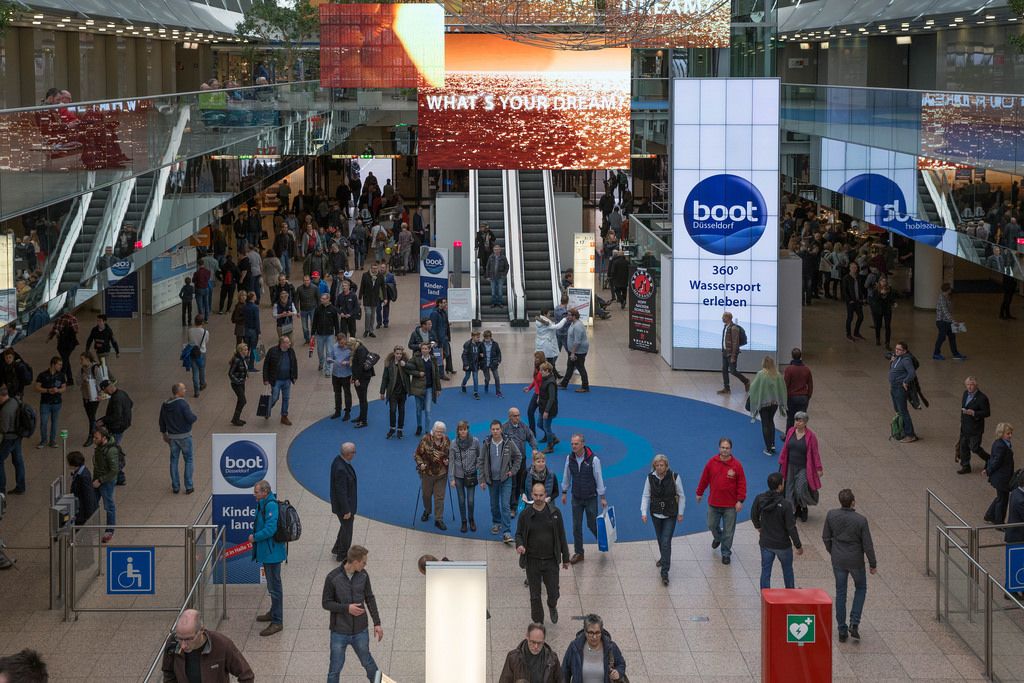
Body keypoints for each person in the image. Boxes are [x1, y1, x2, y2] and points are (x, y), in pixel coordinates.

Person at [823, 489, 877, 643]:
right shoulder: (861, 520)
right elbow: (867, 545)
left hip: (838, 559)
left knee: (841, 593)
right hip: (856, 561)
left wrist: (832, 551)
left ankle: (841, 629)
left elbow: (826, 537)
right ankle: (854, 622)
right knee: (860, 588)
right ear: (853, 501)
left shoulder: (831, 515)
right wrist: (873, 563)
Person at [323, 545, 384, 682]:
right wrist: (347, 608)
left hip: (360, 630)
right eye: (364, 562)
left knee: (368, 662)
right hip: (339, 631)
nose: (365, 565)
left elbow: (369, 598)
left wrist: (377, 623)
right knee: (335, 669)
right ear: (355, 562)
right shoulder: (332, 578)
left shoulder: (363, 575)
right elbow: (326, 603)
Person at [516, 481, 571, 624]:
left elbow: (562, 536)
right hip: (532, 561)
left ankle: (552, 605)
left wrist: (565, 558)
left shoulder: (555, 513)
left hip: (550, 560)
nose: (538, 498)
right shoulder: (525, 515)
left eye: (541, 495)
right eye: (536, 495)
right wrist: (520, 545)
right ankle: (538, 622)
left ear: (545, 495)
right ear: (531, 495)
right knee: (534, 595)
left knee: (554, 592)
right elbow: (519, 534)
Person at [161, 608, 254, 682]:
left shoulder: (222, 645)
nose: (183, 645)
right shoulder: (172, 642)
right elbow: (168, 672)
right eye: (180, 638)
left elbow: (246, 675)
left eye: (189, 639)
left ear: (201, 630)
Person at [695, 437, 747, 565]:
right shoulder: (711, 462)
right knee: (711, 525)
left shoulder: (737, 465)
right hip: (714, 503)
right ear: (719, 448)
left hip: (730, 505)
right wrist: (699, 492)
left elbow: (742, 484)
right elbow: (704, 478)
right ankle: (718, 538)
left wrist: (740, 500)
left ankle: (725, 553)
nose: (724, 450)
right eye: (723, 447)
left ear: (731, 449)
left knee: (729, 531)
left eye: (727, 448)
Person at [751, 472, 803, 589]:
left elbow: (753, 514)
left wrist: (758, 526)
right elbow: (791, 527)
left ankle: (765, 598)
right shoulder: (786, 505)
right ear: (780, 486)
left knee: (765, 571)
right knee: (787, 570)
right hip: (783, 545)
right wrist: (798, 545)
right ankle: (790, 594)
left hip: (766, 543)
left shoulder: (760, 499)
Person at [560, 433, 607, 564]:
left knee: (592, 524)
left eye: (576, 444)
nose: (573, 446)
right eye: (572, 444)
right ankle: (579, 552)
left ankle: (603, 541)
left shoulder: (594, 459)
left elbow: (599, 478)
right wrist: (564, 492)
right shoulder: (569, 458)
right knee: (576, 526)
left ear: (583, 444)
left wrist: (602, 497)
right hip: (576, 497)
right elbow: (566, 475)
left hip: (591, 497)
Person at [250, 479, 286, 636]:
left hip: (272, 553)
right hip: (268, 552)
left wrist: (255, 537)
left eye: (256, 492)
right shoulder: (263, 503)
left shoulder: (270, 505)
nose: (254, 494)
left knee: (275, 587)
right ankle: (273, 612)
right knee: (272, 586)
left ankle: (277, 621)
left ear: (265, 492)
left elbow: (270, 529)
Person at [483, 419, 523, 544]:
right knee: (494, 505)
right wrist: (482, 479)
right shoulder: (486, 443)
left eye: (497, 429)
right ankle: (496, 522)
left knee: (505, 506)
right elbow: (481, 461)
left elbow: (518, 456)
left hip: (506, 479)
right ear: (491, 430)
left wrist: (513, 471)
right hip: (491, 480)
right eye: (493, 429)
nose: (495, 431)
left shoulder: (508, 442)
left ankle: (507, 532)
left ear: (501, 429)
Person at [778, 411, 824, 522]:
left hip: (803, 467)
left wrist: (818, 468)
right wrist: (782, 460)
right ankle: (793, 510)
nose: (798, 422)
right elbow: (786, 448)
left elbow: (815, 453)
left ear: (805, 422)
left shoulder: (811, 436)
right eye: (796, 420)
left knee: (800, 489)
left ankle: (803, 507)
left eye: (800, 420)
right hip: (790, 466)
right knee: (789, 489)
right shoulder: (791, 431)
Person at [561, 614, 626, 682]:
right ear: (585, 632)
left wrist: (618, 672)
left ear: (601, 631)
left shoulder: (611, 647)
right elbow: (565, 671)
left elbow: (621, 663)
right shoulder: (574, 647)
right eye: (591, 633)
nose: (594, 637)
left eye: (597, 633)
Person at [159, 383, 198, 495]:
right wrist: (195, 416)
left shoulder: (165, 404)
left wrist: (164, 434)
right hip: (185, 436)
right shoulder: (182, 404)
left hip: (172, 437)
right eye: (183, 389)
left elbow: (161, 420)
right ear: (178, 391)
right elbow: (190, 418)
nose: (185, 390)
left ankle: (176, 486)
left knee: (174, 461)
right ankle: (189, 486)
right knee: (189, 460)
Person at [747, 356, 787, 456]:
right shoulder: (777, 374)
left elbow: (753, 387)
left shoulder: (761, 374)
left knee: (765, 424)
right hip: (774, 404)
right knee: (771, 422)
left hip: (763, 403)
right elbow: (782, 389)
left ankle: (768, 447)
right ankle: (773, 445)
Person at [414, 421, 450, 530]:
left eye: (442, 431)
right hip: (427, 473)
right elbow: (417, 454)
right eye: (437, 431)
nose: (439, 433)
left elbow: (450, 454)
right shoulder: (425, 440)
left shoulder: (447, 441)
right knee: (426, 495)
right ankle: (427, 510)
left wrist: (448, 460)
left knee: (439, 497)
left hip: (441, 473)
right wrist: (421, 464)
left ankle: (438, 519)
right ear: (433, 431)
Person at [448, 419, 482, 533]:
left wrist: (476, 467)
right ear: (458, 431)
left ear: (468, 430)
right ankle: (464, 521)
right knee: (461, 500)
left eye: (465, 429)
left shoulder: (475, 441)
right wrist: (451, 478)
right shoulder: (453, 443)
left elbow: (480, 457)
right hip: (458, 476)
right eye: (460, 430)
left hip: (471, 474)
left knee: (470, 501)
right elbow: (451, 461)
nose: (463, 431)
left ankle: (471, 520)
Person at [504, 406, 538, 515]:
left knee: (520, 483)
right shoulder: (504, 428)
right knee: (512, 483)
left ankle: (519, 502)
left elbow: (531, 437)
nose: (517, 418)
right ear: (510, 417)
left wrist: (534, 449)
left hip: (522, 460)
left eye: (518, 415)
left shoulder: (524, 426)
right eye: (515, 416)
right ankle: (512, 507)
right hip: (510, 461)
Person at [91, 427, 121, 543]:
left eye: (96, 438)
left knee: (109, 506)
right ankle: (91, 526)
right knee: (92, 502)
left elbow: (114, 470)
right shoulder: (100, 447)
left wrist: (100, 480)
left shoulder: (111, 451)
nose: (94, 439)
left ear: (104, 438)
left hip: (106, 482)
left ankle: (110, 530)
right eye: (94, 437)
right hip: (98, 479)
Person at [330, 442, 358, 563]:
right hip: (344, 507)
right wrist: (346, 510)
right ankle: (342, 554)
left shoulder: (338, 460)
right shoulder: (341, 469)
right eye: (354, 452)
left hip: (343, 505)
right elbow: (341, 491)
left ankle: (337, 548)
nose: (355, 454)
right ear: (348, 454)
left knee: (344, 527)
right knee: (347, 530)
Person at [958, 376, 991, 474]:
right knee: (963, 447)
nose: (969, 387)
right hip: (965, 427)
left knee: (974, 447)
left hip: (976, 428)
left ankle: (988, 458)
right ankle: (965, 466)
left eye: (971, 385)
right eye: (967, 384)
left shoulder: (982, 398)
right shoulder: (965, 394)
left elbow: (987, 413)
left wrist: (974, 413)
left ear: (976, 385)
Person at [408, 341, 442, 437]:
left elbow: (436, 375)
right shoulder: (416, 359)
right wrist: (418, 374)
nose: (424, 350)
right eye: (422, 348)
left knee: (428, 410)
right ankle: (419, 426)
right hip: (418, 388)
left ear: (429, 350)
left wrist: (438, 388)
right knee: (418, 409)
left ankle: (427, 430)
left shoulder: (433, 360)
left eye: (426, 348)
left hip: (429, 388)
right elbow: (408, 368)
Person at [262, 336, 297, 426]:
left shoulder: (291, 351)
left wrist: (294, 375)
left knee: (286, 398)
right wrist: (265, 379)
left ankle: (284, 416)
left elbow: (294, 363)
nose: (289, 343)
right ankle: (267, 409)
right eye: (287, 342)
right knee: (274, 397)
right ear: (282, 344)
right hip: (276, 380)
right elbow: (266, 365)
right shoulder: (272, 351)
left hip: (287, 380)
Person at [888, 341, 918, 443]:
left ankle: (910, 434)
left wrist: (905, 381)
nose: (896, 351)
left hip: (899, 388)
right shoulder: (897, 358)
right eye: (896, 349)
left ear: (904, 351)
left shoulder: (906, 360)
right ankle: (903, 430)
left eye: (899, 349)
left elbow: (912, 373)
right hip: (894, 387)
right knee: (898, 410)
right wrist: (892, 362)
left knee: (903, 411)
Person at [984, 423, 1015, 524]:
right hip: (1001, 478)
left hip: (1002, 476)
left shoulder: (1002, 443)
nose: (1010, 435)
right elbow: (996, 461)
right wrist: (988, 470)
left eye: (1011, 433)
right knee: (1002, 500)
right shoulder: (1001, 446)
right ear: (1001, 434)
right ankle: (998, 522)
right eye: (1008, 433)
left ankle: (990, 515)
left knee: (1000, 497)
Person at [33, 356, 66, 450]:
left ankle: (52, 440)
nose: (60, 366)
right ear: (53, 364)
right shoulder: (43, 375)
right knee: (43, 422)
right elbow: (36, 387)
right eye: (59, 364)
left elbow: (64, 388)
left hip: (57, 402)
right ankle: (43, 440)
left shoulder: (61, 375)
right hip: (45, 402)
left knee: (54, 422)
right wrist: (47, 390)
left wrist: (58, 390)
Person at [379, 344, 410, 438]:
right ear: (394, 353)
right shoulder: (389, 364)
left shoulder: (405, 363)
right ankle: (392, 428)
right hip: (392, 392)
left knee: (402, 411)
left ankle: (400, 429)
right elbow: (385, 378)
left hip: (403, 392)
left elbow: (412, 369)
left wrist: (406, 365)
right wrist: (382, 391)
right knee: (392, 410)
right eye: (397, 353)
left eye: (400, 353)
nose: (399, 355)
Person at [933, 282, 967, 360]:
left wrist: (951, 321)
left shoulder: (947, 297)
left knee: (952, 337)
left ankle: (955, 353)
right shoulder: (941, 298)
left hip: (947, 322)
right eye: (950, 289)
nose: (951, 290)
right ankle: (936, 353)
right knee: (942, 337)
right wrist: (953, 321)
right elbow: (945, 312)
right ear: (947, 290)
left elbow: (949, 310)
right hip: (941, 322)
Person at [717, 312, 749, 394]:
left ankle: (746, 381)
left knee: (733, 371)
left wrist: (733, 356)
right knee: (724, 370)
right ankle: (726, 388)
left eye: (724, 317)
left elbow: (735, 343)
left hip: (731, 353)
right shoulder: (725, 327)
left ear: (728, 318)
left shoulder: (734, 328)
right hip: (725, 352)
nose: (722, 318)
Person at [559, 310, 590, 393]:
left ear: (574, 316)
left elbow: (577, 342)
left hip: (578, 352)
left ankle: (585, 386)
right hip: (573, 350)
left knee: (580, 367)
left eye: (569, 315)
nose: (567, 317)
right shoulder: (573, 323)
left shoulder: (577, 326)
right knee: (570, 366)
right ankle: (564, 384)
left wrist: (573, 353)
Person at [783, 348, 812, 432]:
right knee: (801, 419)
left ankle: (788, 436)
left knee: (790, 418)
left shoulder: (789, 369)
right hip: (803, 397)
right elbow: (810, 385)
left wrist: (784, 397)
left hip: (791, 397)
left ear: (792, 356)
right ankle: (802, 436)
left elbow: (785, 384)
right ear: (800, 356)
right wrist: (808, 396)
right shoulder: (806, 369)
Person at [78, 352, 105, 446]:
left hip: (94, 396)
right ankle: (96, 430)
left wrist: (89, 381)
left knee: (92, 417)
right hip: (85, 396)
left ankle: (91, 435)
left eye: (82, 359)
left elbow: (100, 381)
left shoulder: (95, 368)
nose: (80, 361)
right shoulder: (82, 370)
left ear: (88, 359)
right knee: (90, 416)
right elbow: (77, 381)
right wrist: (83, 379)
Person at [66, 450, 98, 526]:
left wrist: (89, 515)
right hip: (80, 507)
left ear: (73, 463)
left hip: (82, 511)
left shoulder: (83, 476)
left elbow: (88, 495)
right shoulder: (81, 472)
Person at [47, 311, 79, 385]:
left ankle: (59, 381)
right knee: (66, 360)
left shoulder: (71, 319)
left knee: (64, 362)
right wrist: (50, 336)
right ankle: (70, 380)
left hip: (69, 344)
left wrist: (62, 332)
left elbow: (75, 331)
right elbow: (54, 328)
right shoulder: (59, 318)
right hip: (61, 344)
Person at [349, 337, 374, 428]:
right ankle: (361, 416)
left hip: (363, 378)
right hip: (359, 377)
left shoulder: (360, 350)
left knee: (363, 399)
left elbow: (360, 367)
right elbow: (355, 366)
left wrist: (357, 379)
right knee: (361, 398)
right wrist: (354, 377)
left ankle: (364, 421)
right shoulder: (358, 348)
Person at [327, 333, 353, 421]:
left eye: (343, 343)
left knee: (347, 393)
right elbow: (329, 357)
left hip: (346, 375)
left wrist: (347, 362)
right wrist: (330, 360)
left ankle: (347, 412)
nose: (341, 345)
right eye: (340, 343)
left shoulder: (350, 348)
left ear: (345, 340)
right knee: (337, 393)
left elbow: (354, 361)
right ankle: (337, 411)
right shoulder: (334, 347)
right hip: (336, 374)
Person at [534, 310, 568, 375]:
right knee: (549, 360)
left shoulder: (538, 321)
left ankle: (554, 374)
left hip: (540, 343)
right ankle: (551, 375)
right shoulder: (545, 322)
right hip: (546, 344)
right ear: (545, 314)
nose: (550, 314)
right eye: (549, 313)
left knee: (543, 359)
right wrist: (564, 319)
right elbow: (557, 326)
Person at [312, 293, 340, 371]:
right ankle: (321, 363)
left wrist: (337, 334)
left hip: (329, 334)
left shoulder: (333, 309)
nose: (322, 300)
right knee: (320, 352)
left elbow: (336, 323)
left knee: (329, 352)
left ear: (328, 299)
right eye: (321, 298)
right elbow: (314, 322)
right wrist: (313, 334)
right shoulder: (318, 309)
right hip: (320, 334)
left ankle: (328, 369)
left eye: (324, 299)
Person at [867, 274, 895, 349]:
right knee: (878, 325)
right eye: (882, 281)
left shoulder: (889, 289)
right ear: (879, 282)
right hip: (878, 310)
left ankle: (887, 343)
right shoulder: (875, 289)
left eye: (885, 281)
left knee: (887, 326)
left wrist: (894, 303)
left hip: (887, 310)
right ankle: (878, 339)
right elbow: (874, 300)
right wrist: (880, 294)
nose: (884, 282)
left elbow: (891, 298)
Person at [359, 261, 386, 338]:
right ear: (370, 268)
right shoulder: (365, 275)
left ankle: (371, 330)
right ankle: (366, 329)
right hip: (367, 298)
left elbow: (383, 287)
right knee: (368, 314)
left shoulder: (380, 276)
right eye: (373, 268)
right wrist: (360, 297)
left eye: (376, 268)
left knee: (373, 315)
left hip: (375, 298)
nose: (374, 270)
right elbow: (362, 287)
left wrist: (385, 298)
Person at [842, 261, 866, 341]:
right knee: (850, 318)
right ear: (849, 268)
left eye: (855, 268)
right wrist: (849, 300)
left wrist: (863, 298)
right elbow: (845, 291)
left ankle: (856, 332)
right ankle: (848, 334)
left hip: (858, 301)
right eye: (852, 267)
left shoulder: (859, 277)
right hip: (851, 302)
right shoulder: (846, 278)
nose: (854, 269)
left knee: (861, 317)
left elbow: (862, 288)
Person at [538, 363, 559, 454]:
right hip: (543, 407)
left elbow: (551, 398)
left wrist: (546, 411)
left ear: (547, 371)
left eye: (542, 370)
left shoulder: (551, 382)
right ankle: (552, 437)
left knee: (546, 427)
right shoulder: (545, 379)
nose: (540, 372)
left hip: (548, 409)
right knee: (540, 424)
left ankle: (550, 446)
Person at [186, 315, 209, 398]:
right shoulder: (205, 332)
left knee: (195, 371)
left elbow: (189, 340)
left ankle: (196, 391)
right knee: (202, 368)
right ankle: (202, 383)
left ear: (194, 321)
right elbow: (206, 341)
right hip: (202, 352)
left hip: (192, 352)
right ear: (202, 322)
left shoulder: (190, 331)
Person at [228, 342, 249, 426]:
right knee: (243, 400)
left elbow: (244, 368)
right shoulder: (237, 360)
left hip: (241, 382)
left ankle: (236, 418)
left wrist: (245, 375)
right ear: (241, 351)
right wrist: (237, 380)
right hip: (237, 384)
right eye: (245, 349)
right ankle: (235, 419)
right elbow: (230, 373)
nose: (247, 351)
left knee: (240, 400)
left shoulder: (243, 358)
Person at [479, 329, 504, 397]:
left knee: (497, 377)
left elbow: (499, 353)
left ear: (490, 337)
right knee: (487, 378)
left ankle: (498, 392)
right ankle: (486, 385)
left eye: (488, 337)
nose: (487, 339)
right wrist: (480, 355)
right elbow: (477, 353)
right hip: (485, 364)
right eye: (485, 337)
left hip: (493, 363)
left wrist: (498, 361)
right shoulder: (481, 344)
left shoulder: (495, 344)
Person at [295, 275, 319, 344]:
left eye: (307, 280)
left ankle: (313, 337)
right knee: (304, 326)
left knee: (313, 325)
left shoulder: (315, 288)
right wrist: (297, 311)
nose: (306, 282)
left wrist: (319, 309)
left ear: (310, 280)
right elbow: (296, 300)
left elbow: (318, 299)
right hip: (303, 310)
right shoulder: (299, 289)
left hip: (313, 309)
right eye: (305, 280)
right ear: (303, 281)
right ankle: (307, 339)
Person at [460, 330, 484, 399]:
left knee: (475, 378)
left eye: (479, 337)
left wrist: (481, 355)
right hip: (469, 364)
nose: (478, 339)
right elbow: (464, 355)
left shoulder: (479, 344)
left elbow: (481, 351)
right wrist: (465, 364)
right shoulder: (467, 344)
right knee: (467, 376)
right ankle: (463, 385)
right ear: (472, 337)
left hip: (475, 364)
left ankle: (475, 392)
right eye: (477, 337)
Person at [486, 244, 510, 308]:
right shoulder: (490, 257)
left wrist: (504, 274)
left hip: (500, 277)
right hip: (492, 277)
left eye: (497, 249)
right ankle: (493, 303)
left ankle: (499, 302)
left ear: (500, 250)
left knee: (500, 291)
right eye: (495, 250)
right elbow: (487, 267)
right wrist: (487, 276)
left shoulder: (503, 257)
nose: (496, 251)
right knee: (493, 291)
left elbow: (507, 266)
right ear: (493, 250)